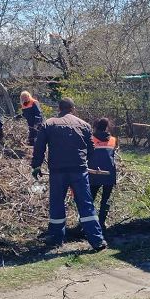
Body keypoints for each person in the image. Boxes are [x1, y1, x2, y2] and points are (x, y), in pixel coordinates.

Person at [31, 98, 107, 251]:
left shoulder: (49, 124)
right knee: (86, 204)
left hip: (57, 171)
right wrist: (90, 165)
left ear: (59, 108)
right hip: (79, 170)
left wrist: (36, 166)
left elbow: (39, 146)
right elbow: (91, 149)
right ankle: (97, 241)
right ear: (73, 108)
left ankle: (55, 238)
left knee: (57, 203)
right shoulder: (84, 125)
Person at [88, 118, 117, 232]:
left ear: (95, 126)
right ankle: (102, 223)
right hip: (109, 174)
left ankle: (89, 221)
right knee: (106, 199)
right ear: (107, 127)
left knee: (90, 198)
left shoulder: (91, 139)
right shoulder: (113, 140)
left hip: (94, 173)